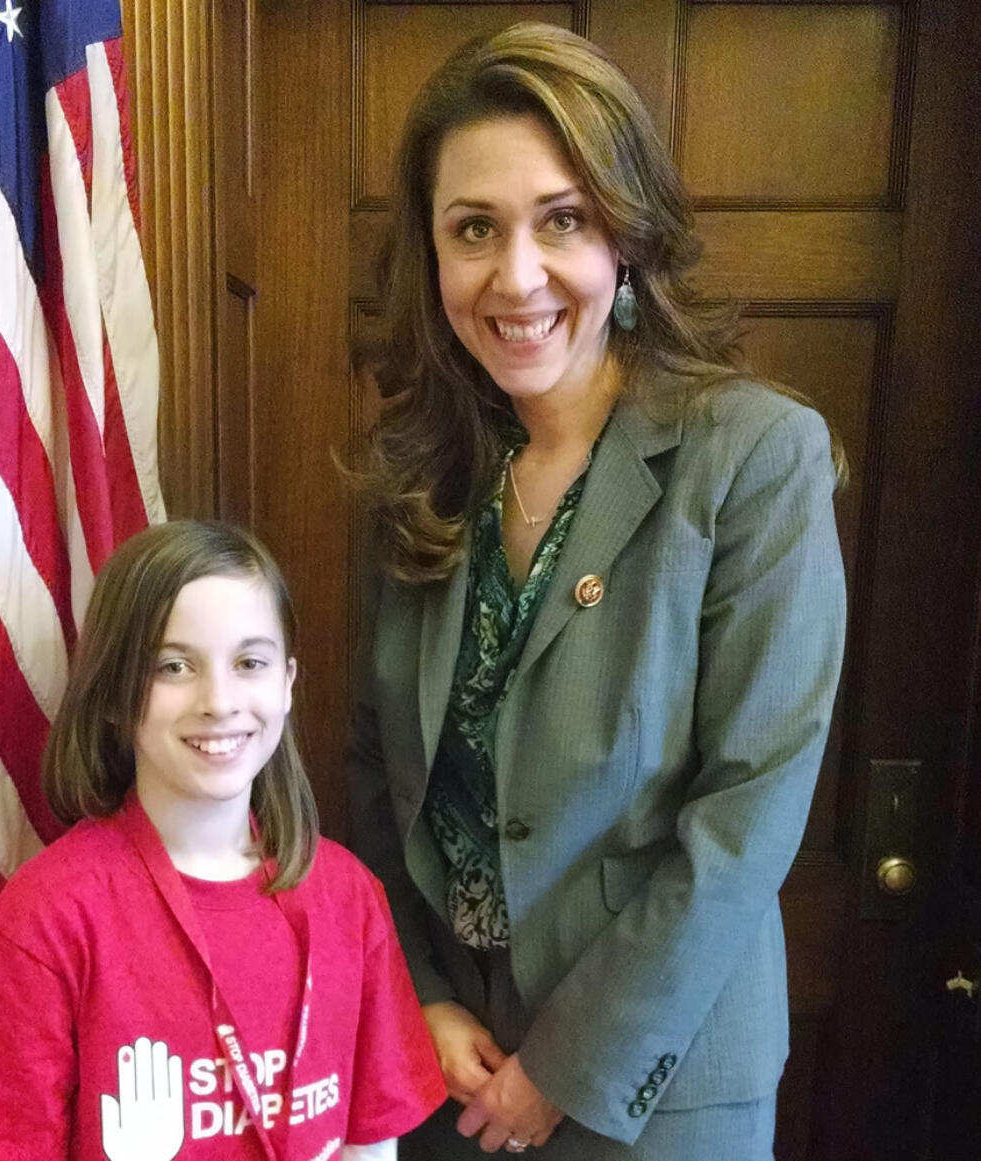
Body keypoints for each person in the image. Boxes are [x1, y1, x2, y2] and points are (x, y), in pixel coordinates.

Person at [346, 22, 847, 1161]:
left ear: (624, 234)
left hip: (654, 1089)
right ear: (431, 257)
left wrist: (565, 1066)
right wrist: (418, 996)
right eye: (473, 228)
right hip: (444, 1071)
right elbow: (373, 777)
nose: (514, 276)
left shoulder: (752, 455)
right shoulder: (423, 480)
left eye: (560, 220)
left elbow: (744, 820)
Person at [0, 520, 446, 1160]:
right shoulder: (42, 924)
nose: (219, 701)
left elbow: (370, 1142)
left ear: (286, 683)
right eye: (175, 666)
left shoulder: (349, 898)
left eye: (249, 662)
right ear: (117, 694)